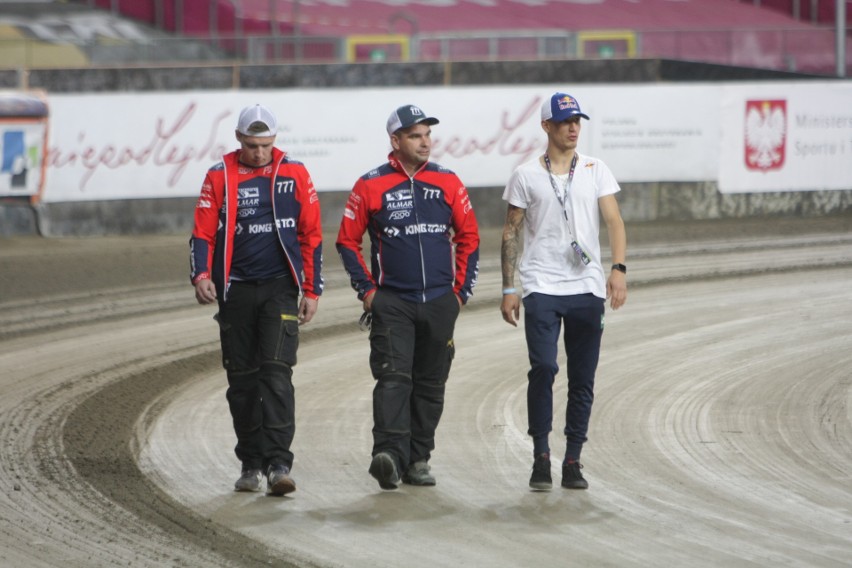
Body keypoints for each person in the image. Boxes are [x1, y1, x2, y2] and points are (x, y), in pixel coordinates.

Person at [336, 104, 480, 490]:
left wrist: (460, 293)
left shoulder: (448, 181)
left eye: (427, 135)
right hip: (393, 302)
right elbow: (346, 242)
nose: (425, 142)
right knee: (393, 379)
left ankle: (418, 459)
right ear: (395, 140)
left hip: (439, 301)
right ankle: (388, 456)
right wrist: (367, 292)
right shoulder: (370, 184)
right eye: (415, 135)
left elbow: (469, 238)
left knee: (431, 385)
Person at [189, 104, 323, 496]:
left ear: (275, 141)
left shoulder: (295, 173)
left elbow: (311, 234)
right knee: (242, 382)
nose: (259, 153)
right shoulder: (218, 175)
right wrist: (200, 275)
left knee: (277, 375)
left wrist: (312, 291)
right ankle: (250, 463)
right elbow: (201, 233)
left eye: (265, 145)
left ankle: (279, 464)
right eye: (251, 145)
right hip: (235, 290)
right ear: (238, 140)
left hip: (281, 287)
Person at [500, 92, 627, 491]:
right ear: (546, 127)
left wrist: (618, 269)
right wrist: (508, 287)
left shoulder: (595, 168)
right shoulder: (525, 174)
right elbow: (511, 232)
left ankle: (572, 459)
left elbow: (614, 220)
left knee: (582, 378)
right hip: (541, 286)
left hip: (587, 287)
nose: (574, 128)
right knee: (544, 367)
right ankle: (541, 455)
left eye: (577, 121)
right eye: (565, 121)